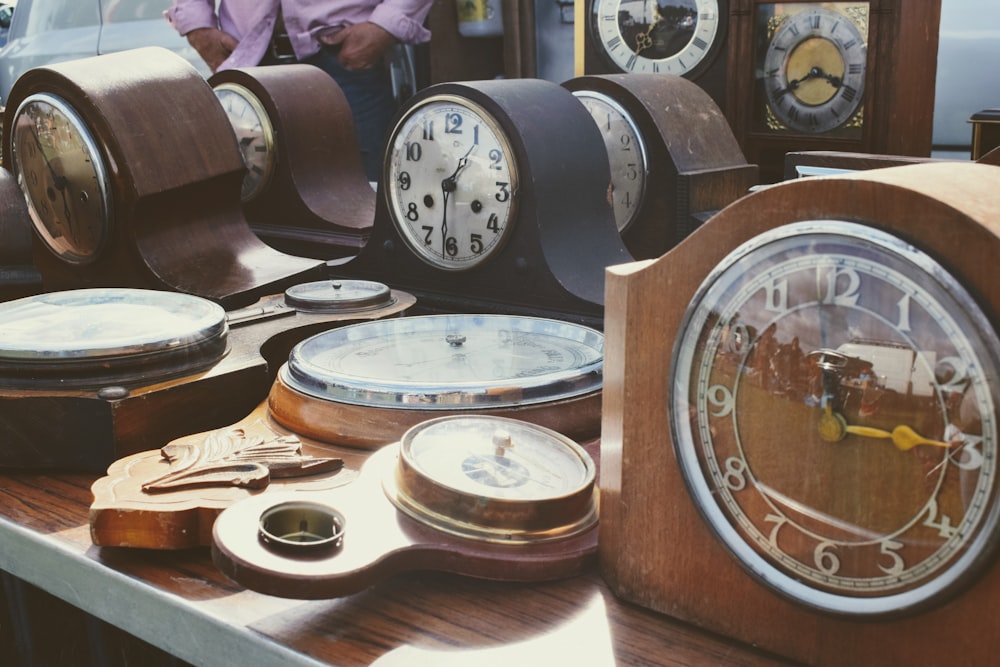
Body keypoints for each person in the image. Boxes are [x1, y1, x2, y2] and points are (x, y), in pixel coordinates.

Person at [165, 0, 434, 182]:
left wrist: (385, 26)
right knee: (260, 211)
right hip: (250, 60)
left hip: (346, 59)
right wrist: (197, 26)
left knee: (369, 199)